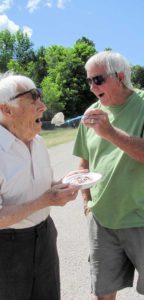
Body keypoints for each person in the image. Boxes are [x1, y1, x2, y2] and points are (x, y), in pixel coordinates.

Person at [0, 73, 79, 300]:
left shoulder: (39, 142)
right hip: (7, 248)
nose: (43, 106)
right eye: (33, 98)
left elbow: (40, 188)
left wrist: (63, 186)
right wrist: (46, 200)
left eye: (40, 97)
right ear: (6, 109)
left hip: (45, 236)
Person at [73, 51, 144, 300]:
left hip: (140, 218)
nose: (92, 87)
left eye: (98, 80)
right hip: (102, 220)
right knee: (102, 294)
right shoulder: (91, 113)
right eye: (89, 81)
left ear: (121, 76)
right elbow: (84, 160)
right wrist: (85, 195)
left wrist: (110, 132)